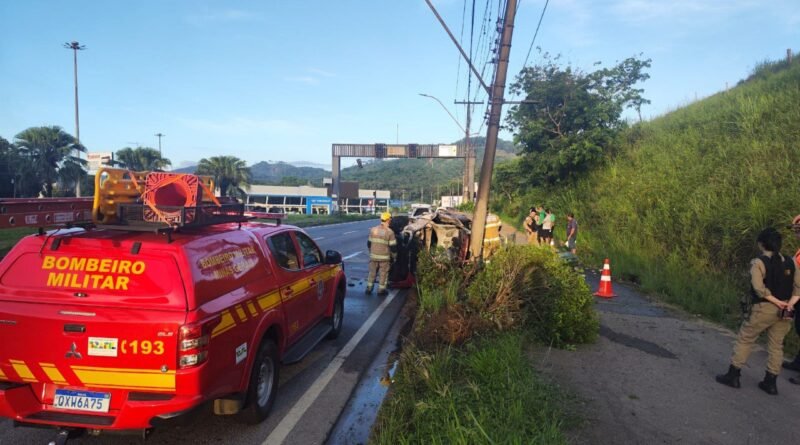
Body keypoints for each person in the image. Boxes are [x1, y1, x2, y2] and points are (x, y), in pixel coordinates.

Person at [715, 227, 800, 395]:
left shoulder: (759, 262)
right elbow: (798, 289)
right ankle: (771, 382)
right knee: (776, 346)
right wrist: (788, 305)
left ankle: (734, 375)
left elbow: (759, 289)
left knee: (746, 339)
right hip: (785, 310)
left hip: (764, 309)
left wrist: (776, 301)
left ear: (762, 244)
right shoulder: (791, 262)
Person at [366, 212, 397, 296]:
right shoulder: (390, 232)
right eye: (390, 218)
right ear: (387, 220)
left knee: (372, 273)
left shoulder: (373, 229)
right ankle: (381, 290)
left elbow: (369, 243)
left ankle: (369, 288)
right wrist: (394, 257)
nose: (391, 220)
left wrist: (371, 252)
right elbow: (393, 247)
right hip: (384, 258)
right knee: (383, 274)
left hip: (373, 257)